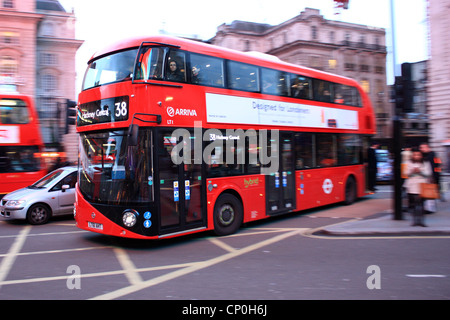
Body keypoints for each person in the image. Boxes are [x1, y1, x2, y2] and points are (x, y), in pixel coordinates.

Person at [404, 148, 433, 227]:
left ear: (421, 155)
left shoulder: (426, 163)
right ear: (412, 155)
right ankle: (414, 221)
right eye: (415, 155)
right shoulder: (408, 162)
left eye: (418, 155)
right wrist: (412, 171)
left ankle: (421, 221)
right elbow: (405, 173)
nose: (417, 156)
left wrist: (421, 171)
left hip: (422, 186)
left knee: (421, 205)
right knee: (413, 205)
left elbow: (429, 173)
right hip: (412, 186)